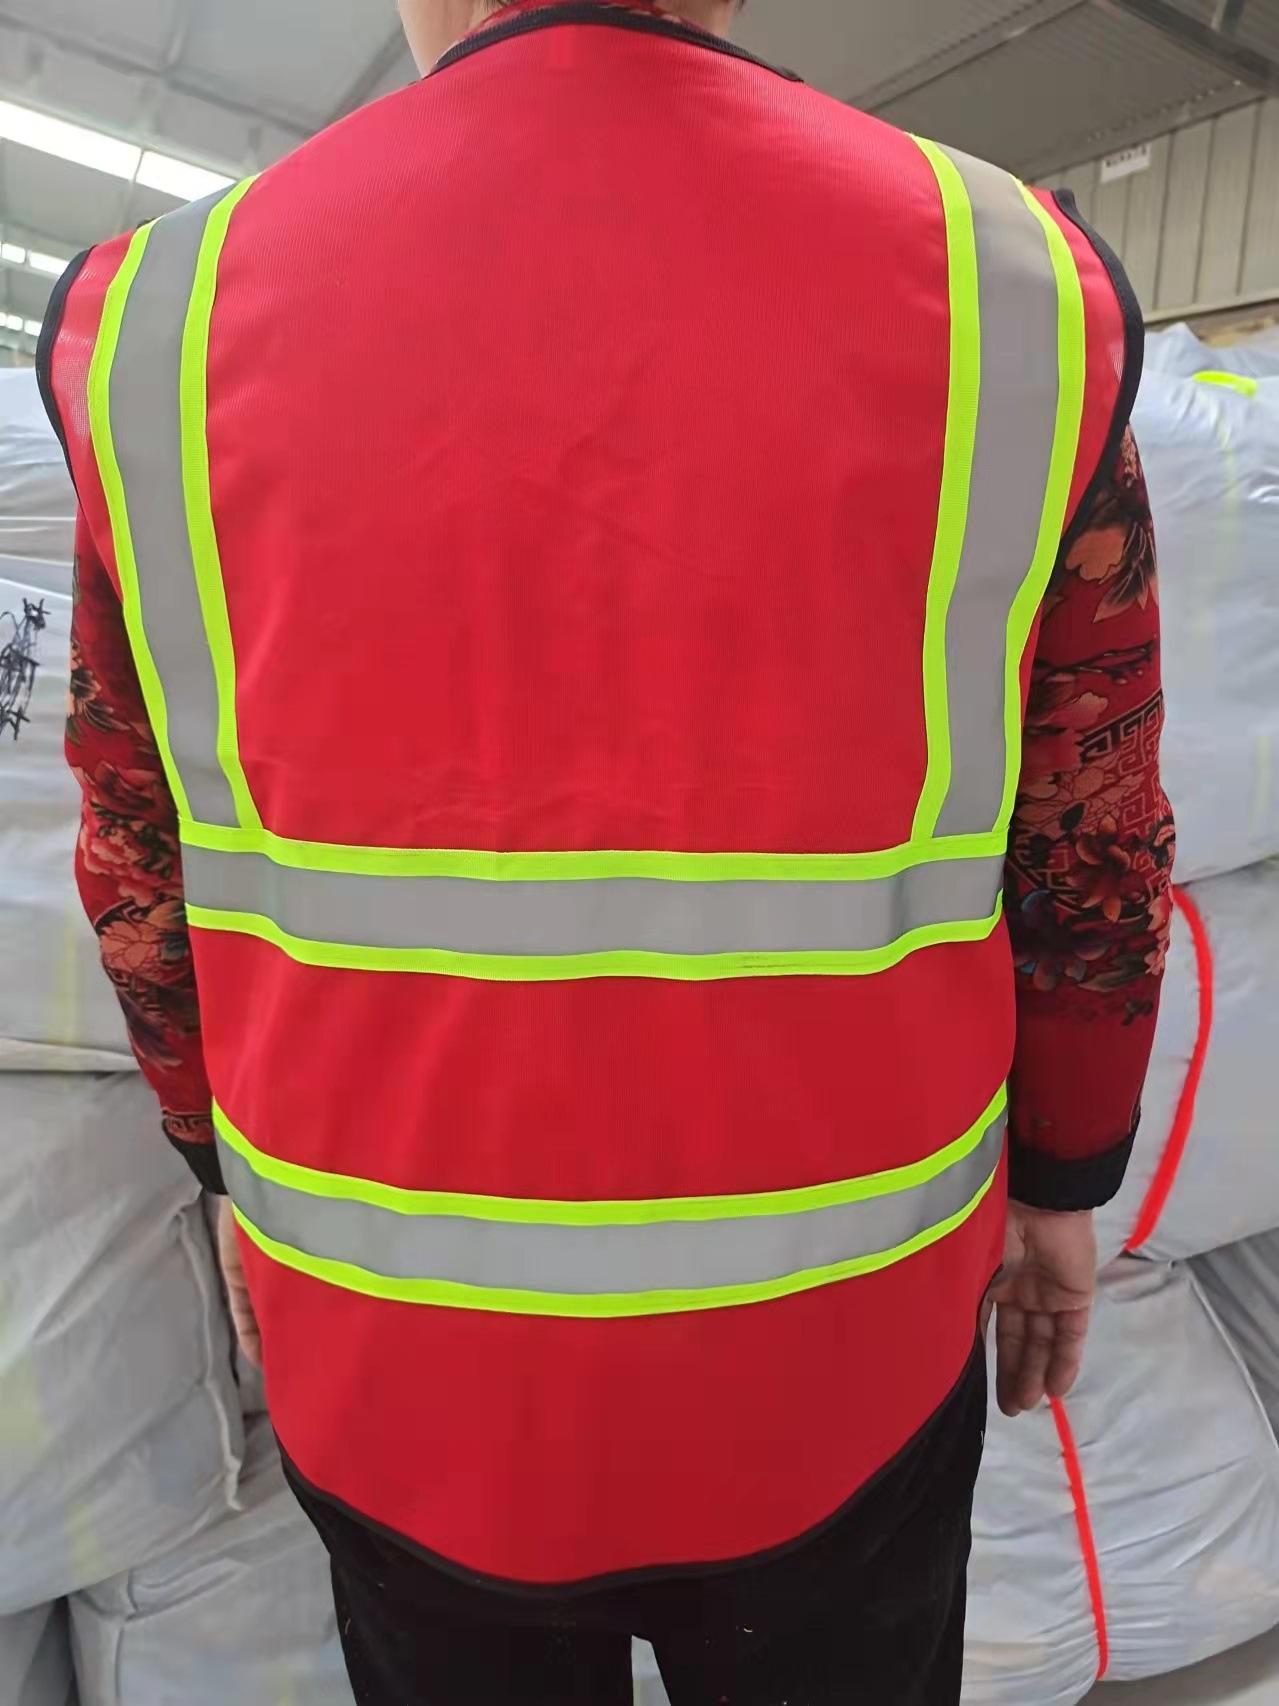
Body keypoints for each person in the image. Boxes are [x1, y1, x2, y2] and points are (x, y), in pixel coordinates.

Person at [37, 2, 1173, 1701]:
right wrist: (1064, 1178)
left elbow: (136, 851)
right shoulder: (1014, 285)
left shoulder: (151, 324)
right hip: (838, 1362)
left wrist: (223, 1174)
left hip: (401, 1363)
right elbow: (1093, 830)